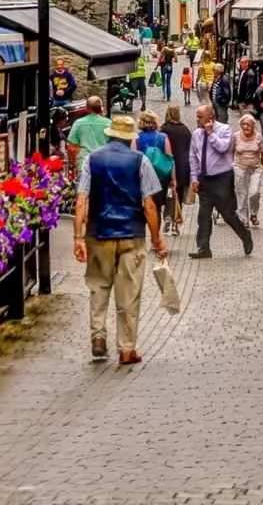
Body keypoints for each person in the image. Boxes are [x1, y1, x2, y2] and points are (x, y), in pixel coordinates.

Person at [74, 114, 167, 364]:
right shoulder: (140, 161)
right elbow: (149, 204)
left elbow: (82, 199)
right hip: (131, 234)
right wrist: (157, 239)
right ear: (129, 139)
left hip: (98, 232)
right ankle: (126, 348)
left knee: (98, 286)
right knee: (129, 293)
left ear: (109, 135)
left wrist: (78, 237)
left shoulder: (92, 159)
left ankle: (98, 337)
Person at [188, 105, 253, 260]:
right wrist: (195, 178)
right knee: (203, 215)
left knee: (227, 214)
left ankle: (244, 235)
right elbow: (193, 157)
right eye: (197, 116)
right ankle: (203, 248)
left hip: (222, 178)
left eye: (200, 117)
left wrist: (210, 134)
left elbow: (223, 148)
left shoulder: (224, 130)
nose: (197, 119)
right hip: (205, 180)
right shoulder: (196, 134)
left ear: (210, 118)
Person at [136, 111, 175, 228]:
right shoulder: (163, 137)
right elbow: (170, 159)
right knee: (156, 207)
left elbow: (133, 158)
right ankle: (155, 236)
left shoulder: (136, 138)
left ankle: (144, 231)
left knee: (142, 205)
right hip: (160, 177)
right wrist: (173, 179)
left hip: (142, 176)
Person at [232, 112, 263, 228]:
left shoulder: (258, 137)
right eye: (243, 124)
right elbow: (229, 152)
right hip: (240, 167)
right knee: (241, 194)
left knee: (254, 193)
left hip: (255, 168)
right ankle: (243, 219)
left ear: (253, 125)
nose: (245, 127)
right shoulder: (236, 136)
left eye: (248, 124)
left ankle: (253, 214)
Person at [161, 104, 192, 234]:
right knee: (178, 194)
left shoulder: (164, 129)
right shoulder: (185, 130)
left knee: (167, 193)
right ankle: (175, 224)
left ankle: (167, 216)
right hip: (183, 167)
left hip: (167, 166)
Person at [67, 96, 110, 160]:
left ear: (86, 108)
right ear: (101, 108)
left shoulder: (78, 123)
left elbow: (71, 146)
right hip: (103, 161)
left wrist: (72, 163)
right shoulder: (109, 123)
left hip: (83, 161)